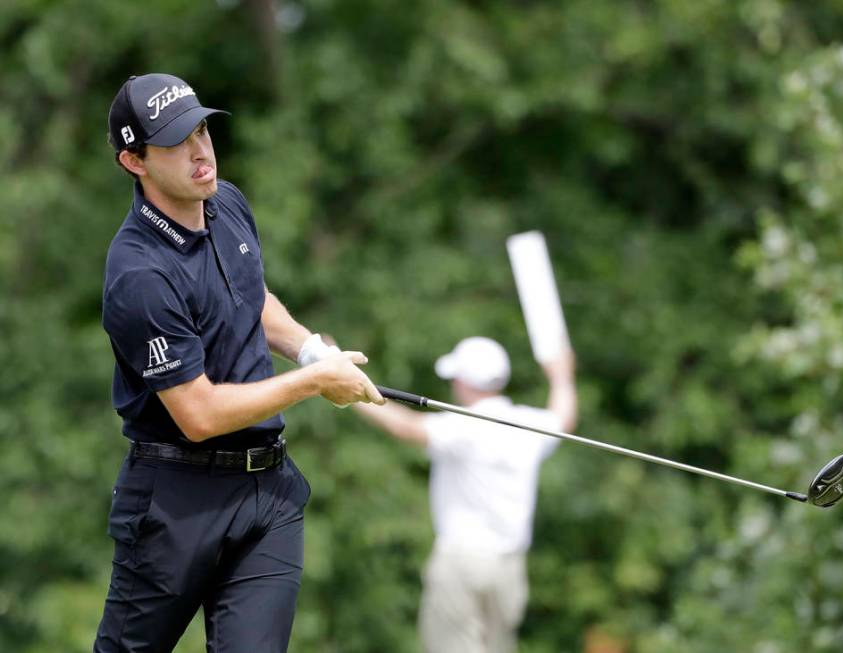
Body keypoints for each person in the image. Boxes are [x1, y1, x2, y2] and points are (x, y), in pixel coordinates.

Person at [94, 72, 385, 652]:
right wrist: (312, 381)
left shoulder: (225, 203)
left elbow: (251, 297)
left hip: (267, 496)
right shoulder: (139, 275)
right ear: (135, 161)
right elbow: (198, 413)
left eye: (201, 129)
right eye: (176, 141)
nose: (200, 150)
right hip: (175, 502)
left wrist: (311, 350)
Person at [353, 336, 577, 653]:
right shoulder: (530, 424)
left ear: (464, 382)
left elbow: (404, 426)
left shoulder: (463, 426)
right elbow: (563, 417)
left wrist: (349, 390)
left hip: (461, 561)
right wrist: (562, 376)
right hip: (509, 565)